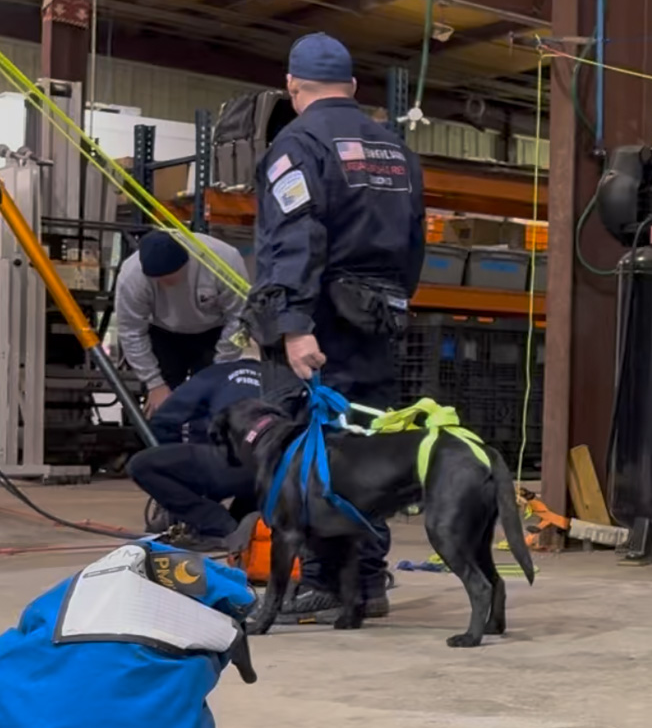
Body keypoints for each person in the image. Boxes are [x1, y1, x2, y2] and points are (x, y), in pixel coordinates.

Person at [247, 32, 426, 619]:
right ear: (351, 86)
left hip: (319, 327)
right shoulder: (395, 151)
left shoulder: (297, 145)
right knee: (367, 451)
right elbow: (414, 241)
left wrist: (294, 325)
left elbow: (296, 238)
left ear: (291, 87)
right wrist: (390, 304)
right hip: (376, 322)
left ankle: (329, 581)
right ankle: (367, 583)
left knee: (310, 454)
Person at [126, 355, 271, 552]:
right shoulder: (284, 379)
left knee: (141, 466)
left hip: (231, 462)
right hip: (276, 469)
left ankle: (218, 526)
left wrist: (179, 466)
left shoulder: (215, 374)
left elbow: (163, 421)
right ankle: (247, 520)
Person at [112, 229, 248, 413]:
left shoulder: (224, 260)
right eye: (159, 280)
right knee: (161, 407)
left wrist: (221, 367)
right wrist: (154, 384)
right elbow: (131, 332)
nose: (166, 284)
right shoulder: (132, 278)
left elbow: (241, 319)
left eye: (171, 277)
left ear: (187, 262)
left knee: (213, 402)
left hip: (215, 332)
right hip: (163, 333)